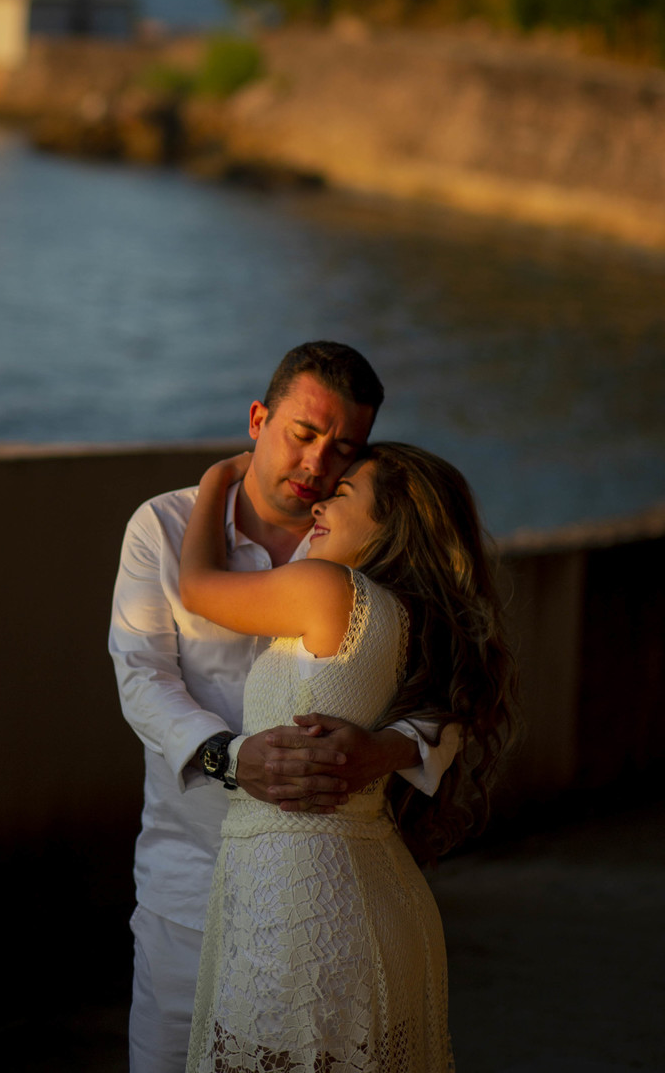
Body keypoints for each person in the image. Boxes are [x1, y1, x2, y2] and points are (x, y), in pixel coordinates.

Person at [109, 343, 461, 1073]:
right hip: (188, 886)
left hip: (319, 903)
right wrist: (232, 759)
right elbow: (142, 677)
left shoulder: (360, 538)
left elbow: (452, 692)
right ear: (259, 419)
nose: (317, 465)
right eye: (303, 433)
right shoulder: (164, 529)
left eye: (343, 449)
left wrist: (386, 750)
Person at [179, 438, 517, 1073]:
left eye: (343, 492)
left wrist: (217, 478)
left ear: (394, 522)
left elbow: (196, 587)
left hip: (304, 908)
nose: (320, 504)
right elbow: (454, 717)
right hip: (370, 900)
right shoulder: (417, 622)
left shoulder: (326, 588)